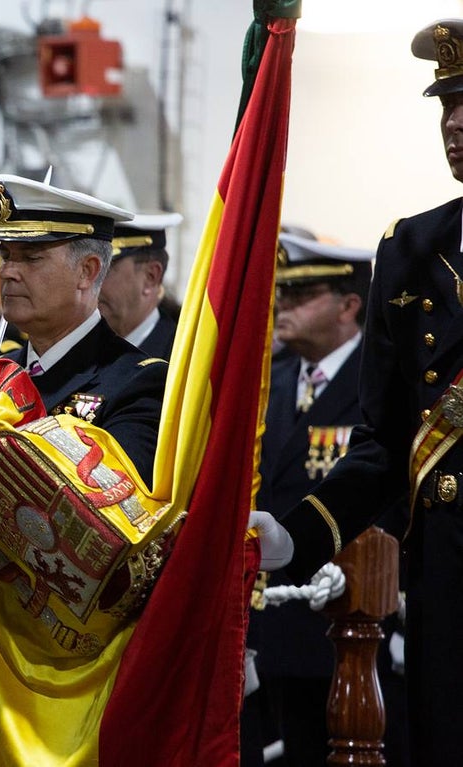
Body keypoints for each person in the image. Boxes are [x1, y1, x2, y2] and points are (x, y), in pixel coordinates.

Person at [278, 20, 463, 765]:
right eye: (446, 105)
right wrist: (297, 533)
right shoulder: (412, 251)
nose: (454, 122)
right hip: (447, 584)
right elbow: (385, 444)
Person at [242, 234, 410, 765]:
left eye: (301, 295)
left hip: (350, 618)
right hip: (272, 622)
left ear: (349, 305)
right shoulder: (271, 380)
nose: (282, 306)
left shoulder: (377, 383)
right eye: (282, 294)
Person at [0, 173, 167, 485]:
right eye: (6, 256)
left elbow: (109, 506)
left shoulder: (138, 383)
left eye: (32, 258)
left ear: (86, 271)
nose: (8, 272)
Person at [99, 212, 184, 358]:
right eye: (88, 269)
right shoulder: (83, 351)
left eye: (105, 270)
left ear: (151, 277)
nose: (89, 282)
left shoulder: (181, 360)